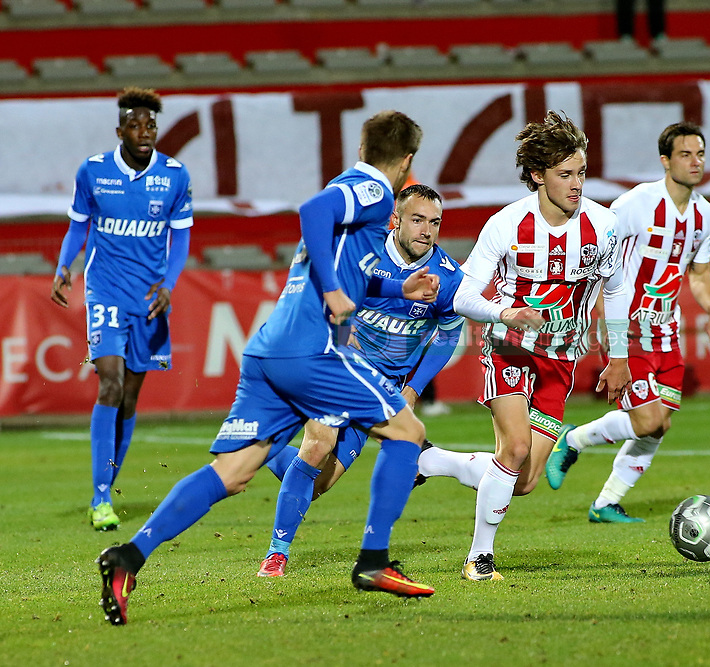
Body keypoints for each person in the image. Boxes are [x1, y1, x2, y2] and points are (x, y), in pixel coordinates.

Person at [96, 110, 438, 627]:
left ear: (363, 145)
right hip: (312, 350)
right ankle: (372, 561)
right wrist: (331, 291)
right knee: (408, 432)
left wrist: (397, 288)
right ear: (408, 160)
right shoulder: (370, 191)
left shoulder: (352, 188)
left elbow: (346, 268)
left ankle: (128, 557)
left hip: (268, 350)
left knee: (232, 474)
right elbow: (312, 212)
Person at [415, 111, 631, 582]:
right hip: (509, 345)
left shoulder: (605, 225)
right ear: (537, 175)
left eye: (581, 173)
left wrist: (618, 358)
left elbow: (615, 289)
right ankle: (479, 558)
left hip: (563, 356)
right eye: (565, 174)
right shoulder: (506, 224)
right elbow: (462, 293)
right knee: (513, 448)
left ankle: (432, 460)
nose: (576, 185)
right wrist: (503, 312)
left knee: (525, 480)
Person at [257, 184, 463, 578]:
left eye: (434, 222)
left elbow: (449, 336)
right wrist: (337, 333)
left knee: (317, 482)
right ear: (395, 220)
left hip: (382, 391)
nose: (427, 231)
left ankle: (266, 448)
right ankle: (276, 555)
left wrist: (413, 388)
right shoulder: (360, 257)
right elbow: (318, 297)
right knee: (318, 447)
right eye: (417, 220)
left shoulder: (448, 278)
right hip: (338, 370)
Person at [545, 121, 710, 523]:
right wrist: (595, 316)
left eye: (700, 154)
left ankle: (605, 503)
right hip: (628, 328)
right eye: (685, 154)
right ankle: (572, 438)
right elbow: (597, 256)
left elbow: (698, 273)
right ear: (665, 161)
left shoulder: (705, 215)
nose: (695, 162)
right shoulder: (635, 204)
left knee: (658, 426)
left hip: (667, 330)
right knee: (646, 419)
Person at [51, 87, 193, 532]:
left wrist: (168, 285)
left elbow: (182, 239)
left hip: (149, 300)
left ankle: (106, 483)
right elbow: (78, 227)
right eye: (135, 125)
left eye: (150, 125)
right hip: (105, 293)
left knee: (131, 397)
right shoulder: (93, 172)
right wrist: (63, 268)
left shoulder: (174, 175)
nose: (144, 131)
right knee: (109, 384)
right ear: (120, 130)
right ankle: (99, 497)